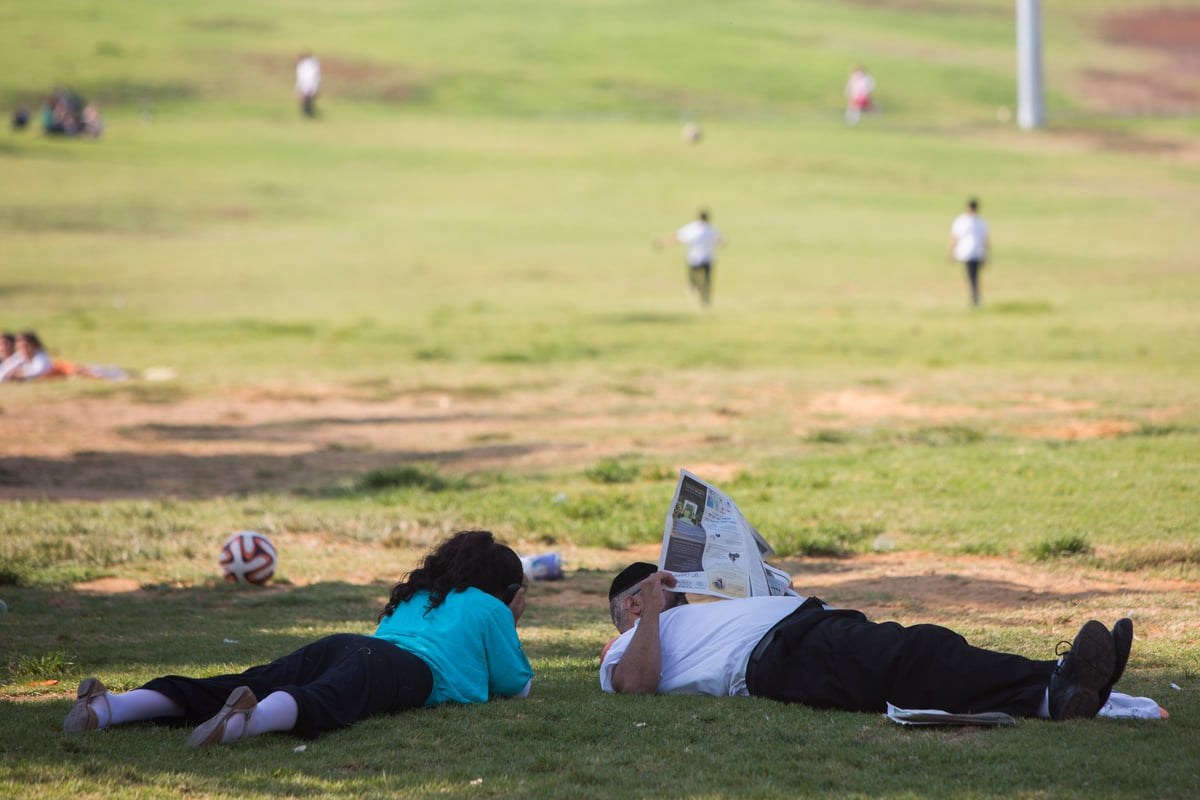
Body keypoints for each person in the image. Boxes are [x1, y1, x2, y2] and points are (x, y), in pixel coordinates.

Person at [63, 530, 533, 747]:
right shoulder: (492, 607)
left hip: (345, 644)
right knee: (326, 699)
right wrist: (510, 619)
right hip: (407, 670)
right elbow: (515, 684)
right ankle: (248, 722)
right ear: (508, 591)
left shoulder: (424, 593)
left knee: (253, 676)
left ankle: (113, 706)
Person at [601, 563, 1133, 722]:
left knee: (926, 655)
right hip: (783, 656)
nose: (676, 594)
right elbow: (635, 687)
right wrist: (650, 608)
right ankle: (1054, 686)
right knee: (921, 655)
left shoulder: (686, 624)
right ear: (634, 603)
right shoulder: (627, 646)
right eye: (661, 588)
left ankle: (1055, 685)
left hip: (809, 630)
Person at [654, 209, 726, 307]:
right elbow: (721, 241)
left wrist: (663, 241)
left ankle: (692, 286)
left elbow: (678, 238)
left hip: (694, 258)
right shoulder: (711, 229)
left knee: (693, 278)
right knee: (707, 281)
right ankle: (705, 301)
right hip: (708, 258)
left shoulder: (693, 228)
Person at [949, 197, 990, 307]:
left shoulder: (977, 222)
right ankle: (975, 297)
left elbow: (984, 240)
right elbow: (955, 238)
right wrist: (952, 252)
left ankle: (975, 297)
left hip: (974, 253)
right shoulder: (968, 221)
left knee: (973, 276)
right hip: (968, 253)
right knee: (973, 276)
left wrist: (986, 255)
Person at [295, 52, 322, 118]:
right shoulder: (306, 65)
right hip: (307, 86)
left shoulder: (309, 65)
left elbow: (309, 77)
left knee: (307, 102)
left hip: (309, 86)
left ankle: (310, 116)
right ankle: (309, 116)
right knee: (306, 103)